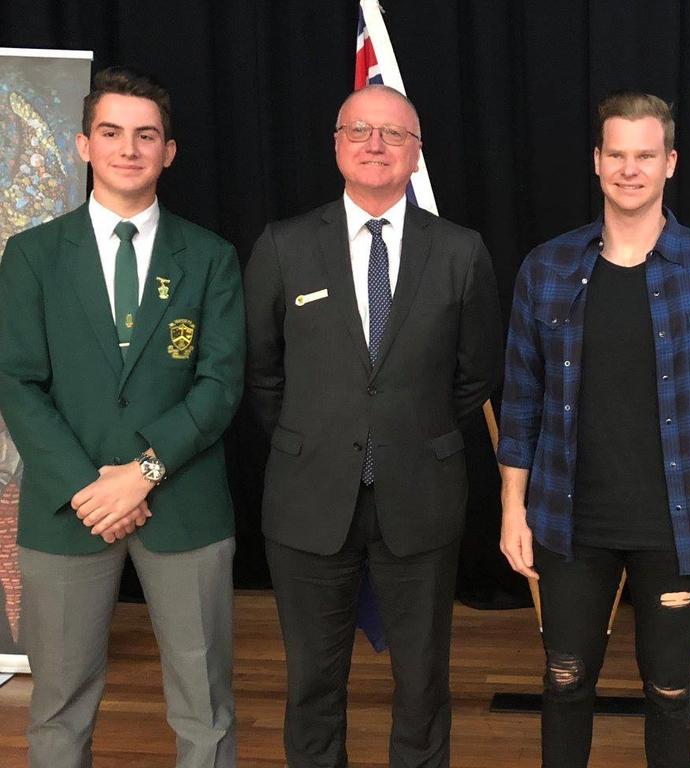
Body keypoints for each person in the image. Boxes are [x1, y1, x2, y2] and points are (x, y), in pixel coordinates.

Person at [498, 91, 690, 768]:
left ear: (670, 162)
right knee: (564, 681)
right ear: (597, 161)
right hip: (568, 521)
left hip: (677, 526)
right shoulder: (548, 268)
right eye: (616, 154)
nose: (630, 169)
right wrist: (513, 508)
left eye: (644, 155)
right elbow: (522, 398)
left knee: (671, 688)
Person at [245, 84, 503, 768]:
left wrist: (406, 432)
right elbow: (263, 373)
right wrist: (318, 437)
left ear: (416, 155)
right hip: (308, 497)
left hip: (420, 495)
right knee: (312, 683)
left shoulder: (461, 251)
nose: (376, 145)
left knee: (422, 682)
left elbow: (476, 374)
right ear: (336, 145)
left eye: (394, 135)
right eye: (360, 131)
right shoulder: (284, 245)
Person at [0, 66, 243, 767]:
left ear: (169, 152)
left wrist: (141, 472)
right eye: (111, 133)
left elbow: (220, 383)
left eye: (146, 135)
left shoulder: (209, 257)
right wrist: (89, 486)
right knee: (57, 707)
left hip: (184, 503)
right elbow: (16, 383)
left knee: (205, 706)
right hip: (66, 507)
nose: (128, 149)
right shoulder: (32, 256)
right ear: (83, 145)